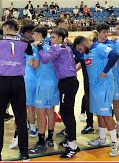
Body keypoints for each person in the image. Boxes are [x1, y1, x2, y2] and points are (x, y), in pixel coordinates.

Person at [0, 19, 33, 161]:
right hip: (18, 82)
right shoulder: (25, 41)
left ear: (7, 27)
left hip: (1, 81)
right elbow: (30, 54)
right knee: (21, 117)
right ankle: (24, 152)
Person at [73, 36, 119, 157]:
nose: (80, 51)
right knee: (99, 114)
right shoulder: (87, 53)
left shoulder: (99, 47)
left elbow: (115, 55)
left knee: (106, 115)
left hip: (104, 87)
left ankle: (115, 142)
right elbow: (79, 57)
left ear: (84, 43)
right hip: (95, 88)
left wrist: (105, 71)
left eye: (80, 48)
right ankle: (102, 138)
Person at [36, 29, 80, 158]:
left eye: (54, 37)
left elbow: (45, 59)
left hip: (67, 83)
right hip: (67, 82)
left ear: (61, 38)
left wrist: (39, 47)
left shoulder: (58, 47)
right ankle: (71, 142)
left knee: (67, 114)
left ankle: (72, 146)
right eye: (51, 37)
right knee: (66, 113)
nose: (51, 39)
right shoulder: (65, 47)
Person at [28, 26, 59, 154]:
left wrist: (28, 61)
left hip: (43, 83)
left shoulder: (36, 47)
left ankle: (41, 142)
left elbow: (35, 65)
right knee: (50, 110)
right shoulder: (51, 45)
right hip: (54, 82)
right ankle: (50, 138)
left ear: (39, 34)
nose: (32, 36)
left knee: (40, 112)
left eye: (33, 34)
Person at [95, 23, 119, 135]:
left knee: (115, 102)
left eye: (107, 32)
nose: (106, 34)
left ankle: (118, 124)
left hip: (113, 79)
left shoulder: (113, 44)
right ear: (98, 33)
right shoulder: (94, 46)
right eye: (103, 32)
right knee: (102, 104)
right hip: (100, 80)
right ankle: (103, 128)